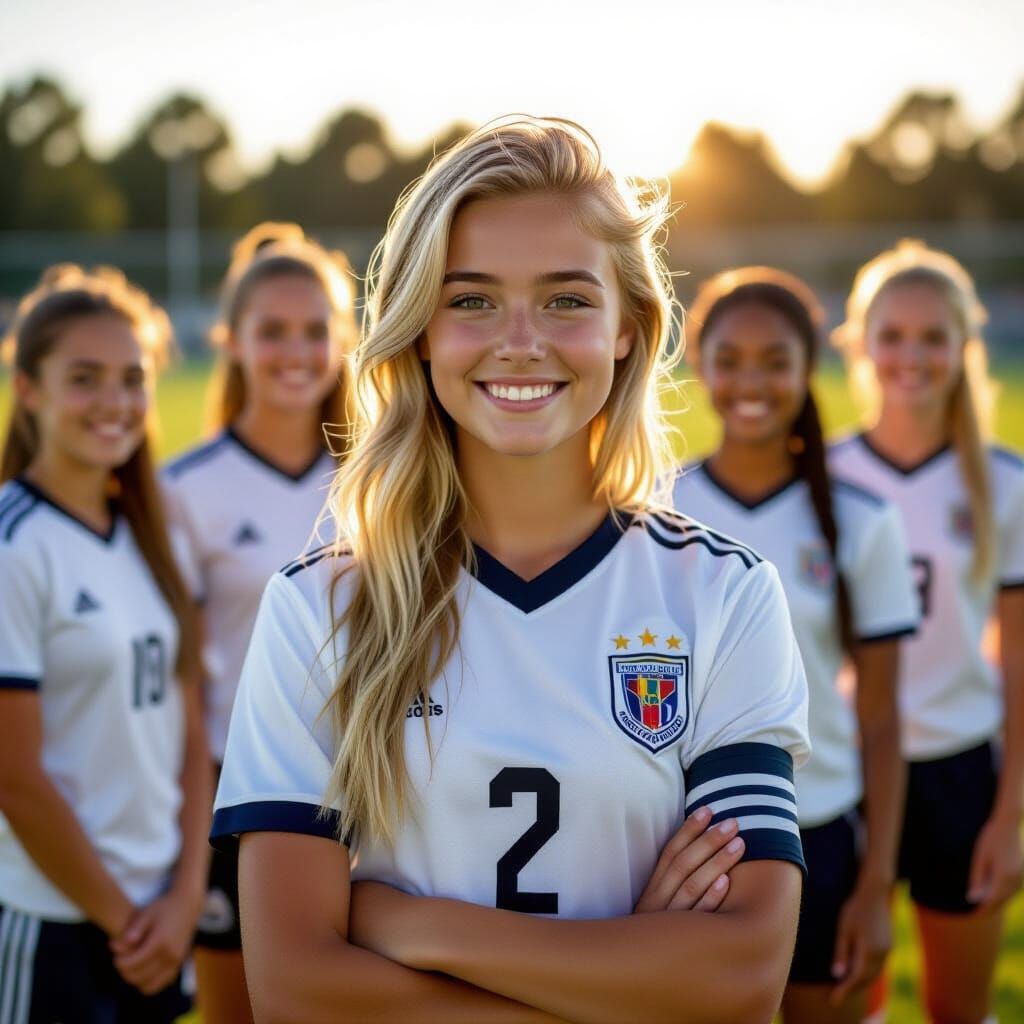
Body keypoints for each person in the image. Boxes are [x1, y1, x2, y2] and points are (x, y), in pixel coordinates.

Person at [211, 117, 811, 1023]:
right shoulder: (320, 608)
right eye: (472, 300)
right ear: (415, 331)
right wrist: (628, 985)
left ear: (628, 328)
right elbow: (295, 992)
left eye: (568, 300)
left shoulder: (723, 596)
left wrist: (419, 927)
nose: (521, 340)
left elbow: (740, 982)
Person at [672, 267, 918, 1023]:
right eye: (730, 359)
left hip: (819, 838)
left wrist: (875, 888)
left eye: (775, 360)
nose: (752, 381)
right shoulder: (656, 508)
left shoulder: (862, 520)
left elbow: (879, 715)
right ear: (699, 365)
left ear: (808, 369)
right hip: (684, 842)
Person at [0, 265, 211, 1023]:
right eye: (84, 379)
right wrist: (126, 921)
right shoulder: (14, 545)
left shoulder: (156, 539)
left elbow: (188, 736)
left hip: (160, 913)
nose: (115, 403)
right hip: (60, 924)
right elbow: (14, 777)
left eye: (132, 379)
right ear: (29, 389)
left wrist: (186, 894)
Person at [162, 222, 355, 1023]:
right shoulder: (183, 487)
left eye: (316, 331)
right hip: (232, 802)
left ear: (344, 341)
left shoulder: (381, 479)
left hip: (372, 792)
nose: (296, 351)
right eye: (271, 331)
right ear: (231, 341)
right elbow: (174, 683)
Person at [831, 239, 1024, 1024]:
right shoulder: (824, 476)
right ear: (860, 345)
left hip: (958, 774)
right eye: (893, 335)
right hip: (843, 774)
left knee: (958, 1011)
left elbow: (1018, 664)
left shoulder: (1005, 483)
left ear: (963, 349)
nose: (911, 355)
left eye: (933, 337)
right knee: (848, 1006)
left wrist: (1010, 817)